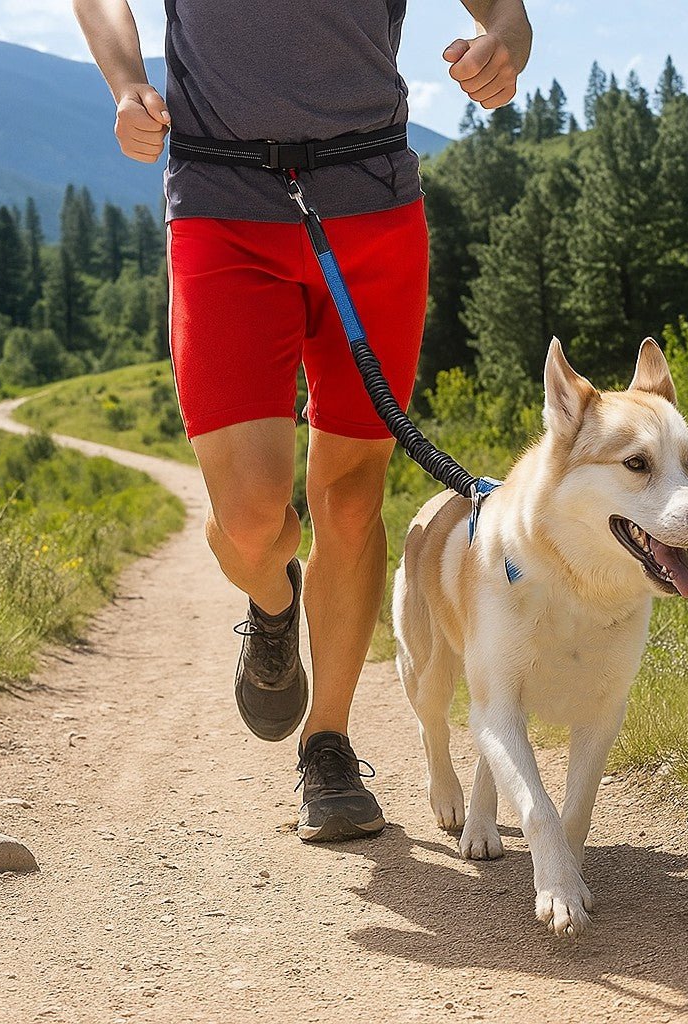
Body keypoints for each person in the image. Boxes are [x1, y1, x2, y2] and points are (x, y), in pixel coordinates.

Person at [72, 0, 532, 842]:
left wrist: (505, 44)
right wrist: (127, 82)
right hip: (220, 205)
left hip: (374, 207)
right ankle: (273, 602)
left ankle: (328, 744)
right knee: (252, 520)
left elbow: (504, 8)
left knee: (351, 500)